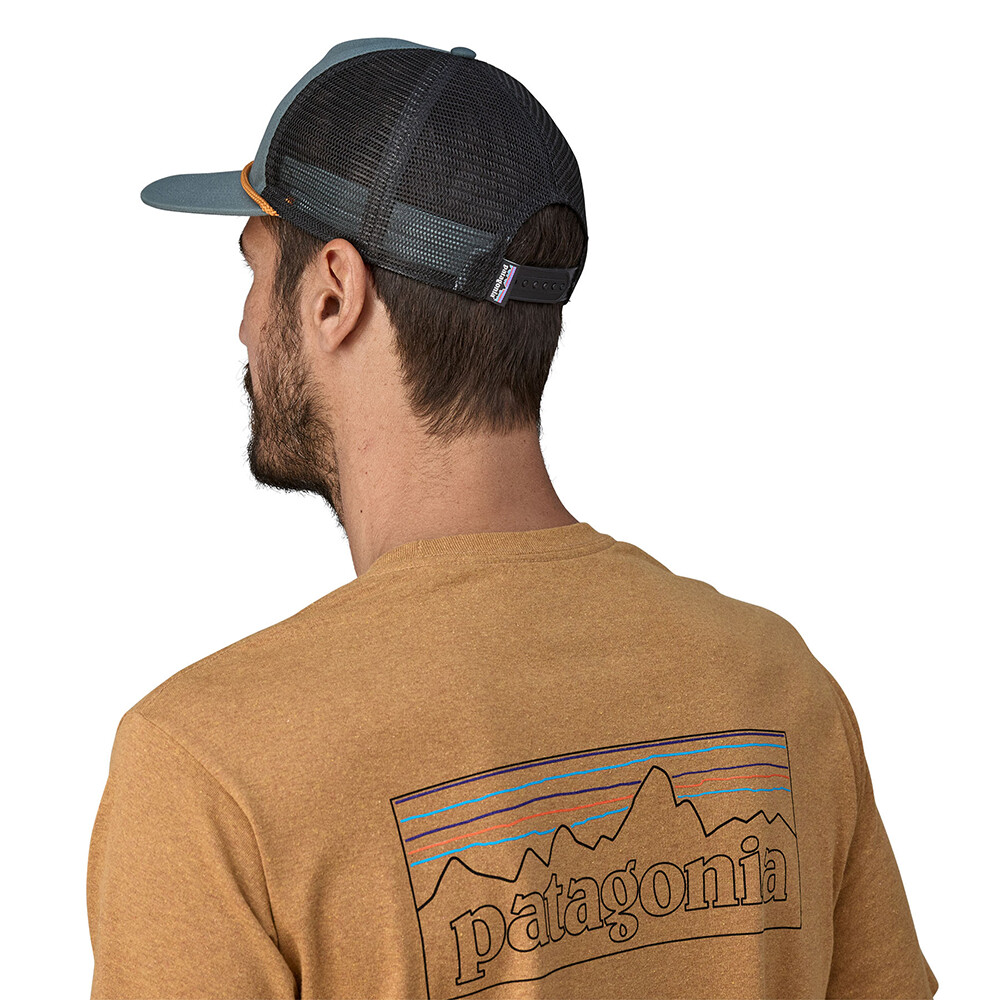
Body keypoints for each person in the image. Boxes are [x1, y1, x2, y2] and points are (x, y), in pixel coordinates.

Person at [87, 36, 938, 1000]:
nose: (243, 325)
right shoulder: (778, 689)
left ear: (333, 293)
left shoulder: (209, 771)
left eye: (252, 269)